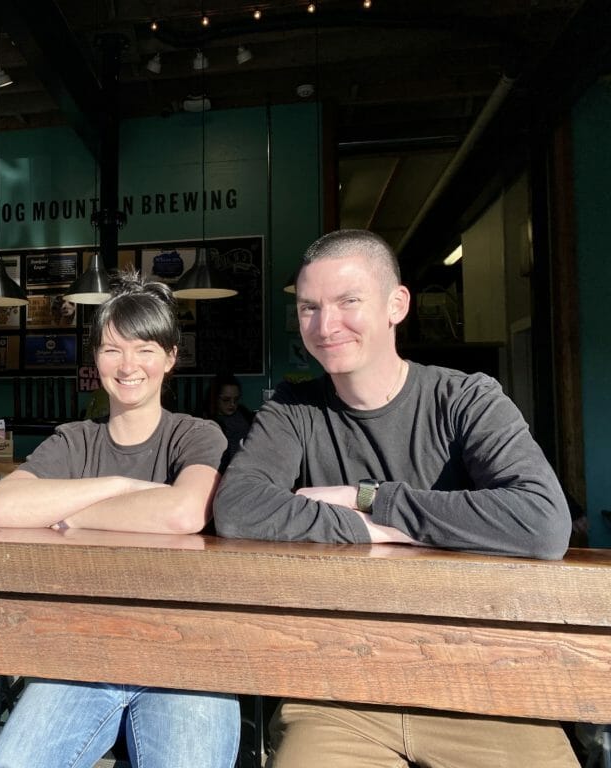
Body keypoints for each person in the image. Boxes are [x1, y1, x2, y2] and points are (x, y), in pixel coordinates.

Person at [213, 229, 576, 768]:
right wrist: (378, 528)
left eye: (348, 301)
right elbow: (237, 507)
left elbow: (542, 524)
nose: (325, 324)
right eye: (309, 307)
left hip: (485, 689)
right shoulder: (294, 409)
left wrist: (373, 498)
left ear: (396, 305)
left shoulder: (466, 398)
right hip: (338, 692)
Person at [0, 270, 240, 768]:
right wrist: (123, 487)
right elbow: (3, 506)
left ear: (170, 357)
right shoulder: (75, 439)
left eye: (145, 349)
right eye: (111, 349)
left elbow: (184, 510)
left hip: (184, 653)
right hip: (83, 650)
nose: (127, 366)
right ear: (95, 359)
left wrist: (72, 513)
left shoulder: (196, 434)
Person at [205, 373, 253, 461]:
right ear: (214, 398)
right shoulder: (206, 422)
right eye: (226, 400)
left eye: (236, 399)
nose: (232, 404)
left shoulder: (244, 413)